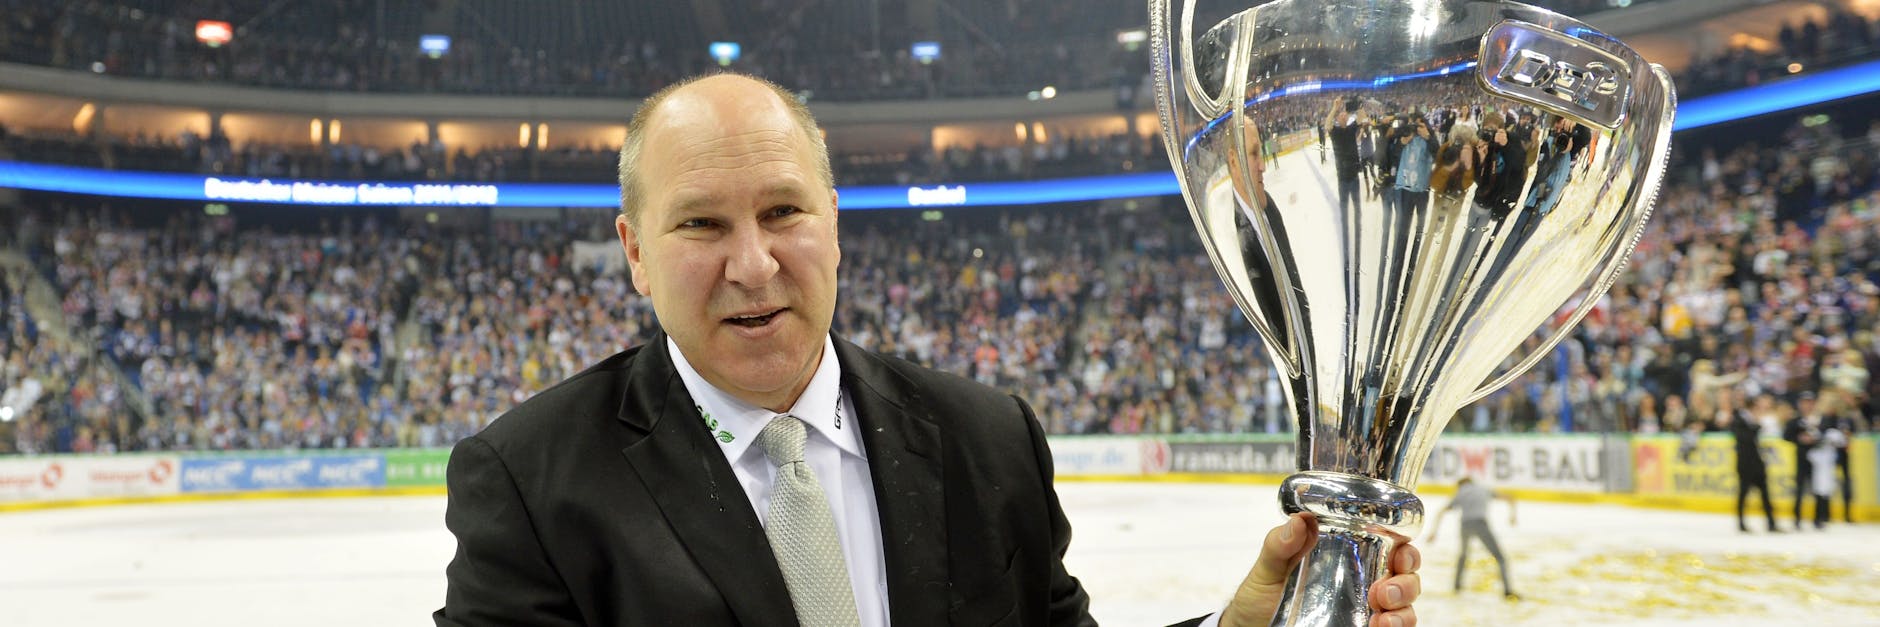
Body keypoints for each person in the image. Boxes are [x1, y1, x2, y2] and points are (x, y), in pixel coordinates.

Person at [434, 72, 1423, 627]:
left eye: (783, 212)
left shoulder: (985, 437)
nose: (751, 263)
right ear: (636, 251)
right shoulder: (530, 479)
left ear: (834, 221)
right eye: (699, 226)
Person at [1427, 477, 1519, 600]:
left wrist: (1434, 532)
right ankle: (1507, 590)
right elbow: (1509, 497)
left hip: (1465, 525)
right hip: (1481, 524)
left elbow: (1442, 511)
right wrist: (1512, 515)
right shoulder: (1483, 489)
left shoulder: (1460, 492)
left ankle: (1457, 586)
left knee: (1463, 555)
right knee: (1500, 557)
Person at [1720, 390, 1780, 533]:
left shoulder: (1752, 420)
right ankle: (1741, 523)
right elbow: (1743, 438)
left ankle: (1771, 523)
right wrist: (1756, 426)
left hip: (1757, 462)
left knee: (1765, 494)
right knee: (1743, 494)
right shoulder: (1739, 419)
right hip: (1745, 463)